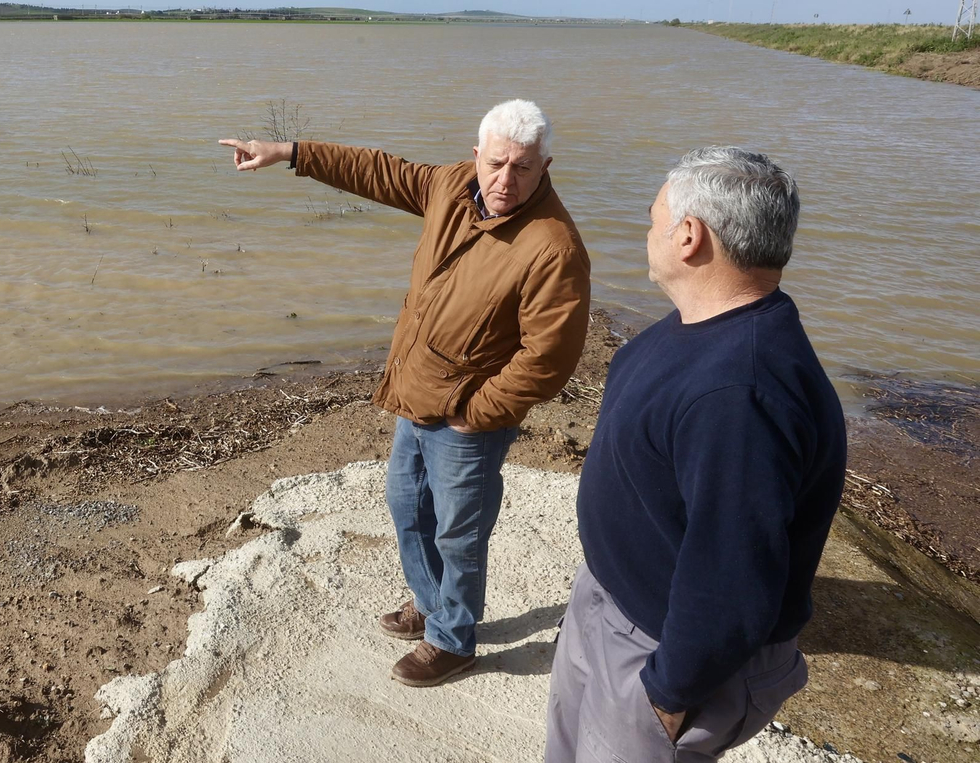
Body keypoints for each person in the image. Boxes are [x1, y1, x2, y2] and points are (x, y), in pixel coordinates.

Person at [218, 99, 591, 686]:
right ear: (476, 156)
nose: (505, 180)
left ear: (546, 166)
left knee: (458, 533)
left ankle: (454, 639)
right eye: (496, 164)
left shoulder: (553, 246)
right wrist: (287, 152)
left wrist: (477, 413)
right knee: (406, 506)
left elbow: (550, 358)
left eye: (523, 168)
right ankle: (431, 601)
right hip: (416, 392)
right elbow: (377, 170)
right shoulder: (450, 187)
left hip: (469, 417)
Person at [545, 147, 847, 763]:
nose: (647, 232)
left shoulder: (742, 392)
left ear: (689, 236)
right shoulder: (701, 323)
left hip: (659, 651)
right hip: (612, 601)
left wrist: (667, 692)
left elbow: (735, 575)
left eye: (654, 219)